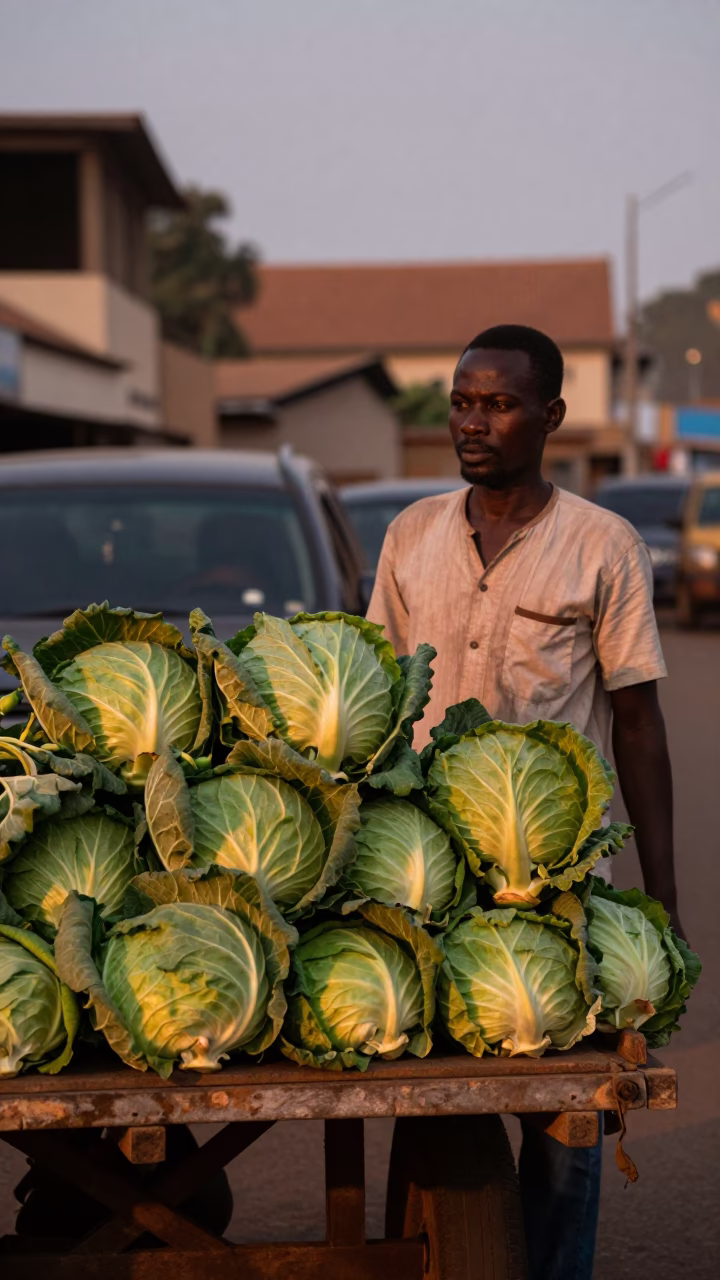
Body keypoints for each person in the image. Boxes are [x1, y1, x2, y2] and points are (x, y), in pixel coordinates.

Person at [367, 323, 683, 1280]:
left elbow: (638, 724)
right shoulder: (411, 536)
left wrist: (660, 906)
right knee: (424, 1104)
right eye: (463, 401)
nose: (474, 421)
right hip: (426, 870)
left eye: (499, 403)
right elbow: (379, 700)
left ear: (550, 415)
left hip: (560, 879)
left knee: (563, 1120)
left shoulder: (603, 545)